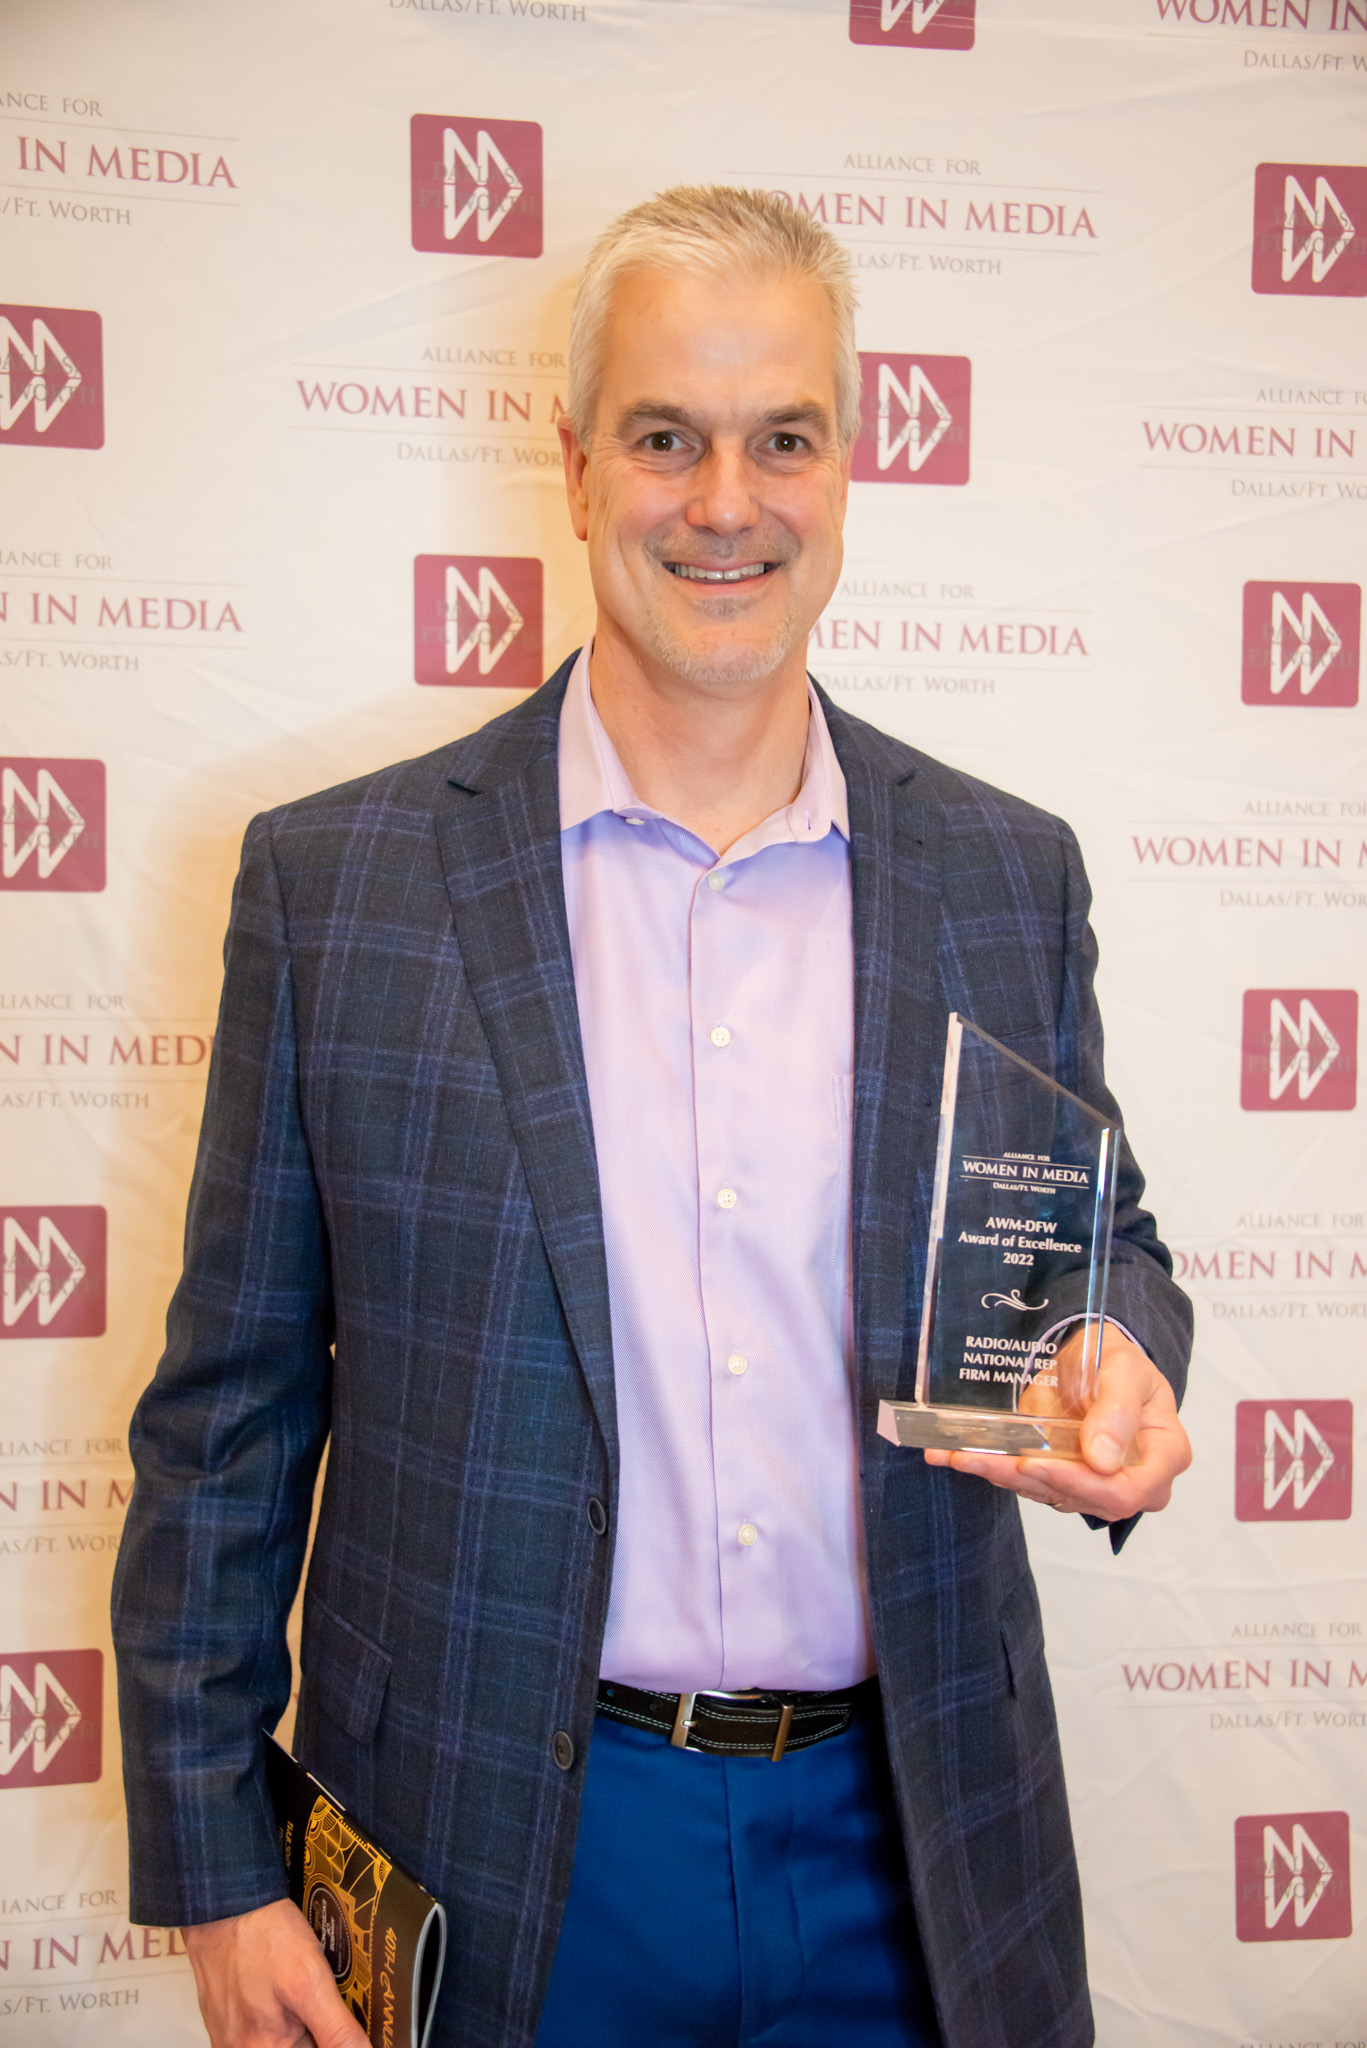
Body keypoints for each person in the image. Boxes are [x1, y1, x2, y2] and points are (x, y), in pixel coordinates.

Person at [112, 186, 1193, 2048]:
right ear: (577, 468)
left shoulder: (1006, 874)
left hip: (921, 1839)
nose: (726, 503)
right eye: (668, 438)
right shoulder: (338, 886)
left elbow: (1097, 1247)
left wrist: (1121, 1345)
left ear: (848, 468)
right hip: (493, 1844)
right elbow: (230, 1417)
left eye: (784, 439)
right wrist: (219, 1865)